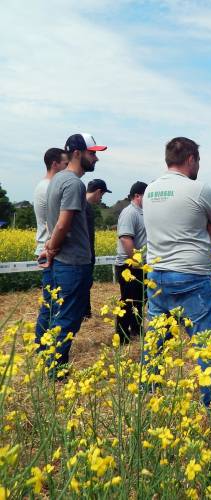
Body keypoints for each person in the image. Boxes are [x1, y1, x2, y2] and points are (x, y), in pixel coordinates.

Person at [143, 137, 211, 407]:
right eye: (198, 161)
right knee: (205, 342)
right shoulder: (198, 190)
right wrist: (208, 227)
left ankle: (148, 395)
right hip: (191, 276)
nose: (199, 166)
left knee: (155, 341)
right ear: (191, 158)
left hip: (156, 275)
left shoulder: (149, 191)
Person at [37, 133, 107, 376]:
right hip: (73, 263)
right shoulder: (74, 184)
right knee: (67, 318)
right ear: (77, 153)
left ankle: (43, 355)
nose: (96, 159)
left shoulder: (56, 179)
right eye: (92, 153)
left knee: (52, 310)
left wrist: (50, 250)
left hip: (60, 263)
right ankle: (55, 370)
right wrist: (53, 247)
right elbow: (63, 224)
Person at [34, 148, 68, 337]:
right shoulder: (50, 187)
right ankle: (44, 346)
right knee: (52, 304)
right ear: (55, 164)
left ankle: (44, 344)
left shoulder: (42, 185)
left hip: (46, 248)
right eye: (64, 164)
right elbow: (54, 223)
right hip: (49, 251)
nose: (66, 168)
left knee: (51, 303)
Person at [114, 181, 148, 343]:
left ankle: (136, 328)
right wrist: (137, 261)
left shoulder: (142, 213)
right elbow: (126, 239)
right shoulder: (129, 213)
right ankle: (121, 334)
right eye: (146, 196)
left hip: (139, 265)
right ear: (137, 196)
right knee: (128, 301)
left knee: (140, 300)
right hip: (128, 265)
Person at [84, 179, 111, 319]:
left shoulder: (81, 204)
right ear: (98, 191)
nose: (101, 198)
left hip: (84, 254)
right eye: (102, 195)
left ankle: (85, 312)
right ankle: (84, 313)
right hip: (85, 255)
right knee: (84, 284)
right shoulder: (86, 207)